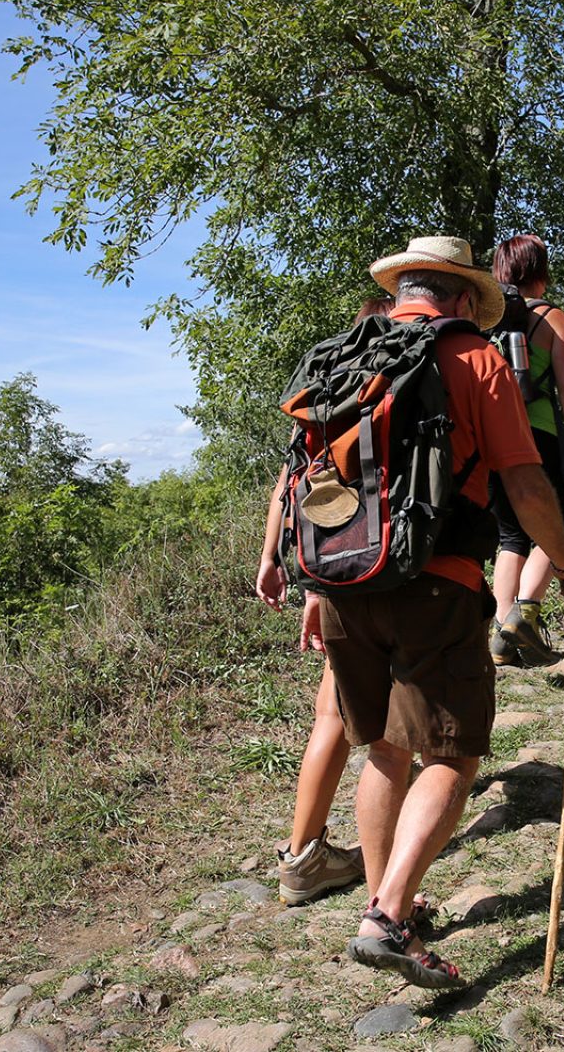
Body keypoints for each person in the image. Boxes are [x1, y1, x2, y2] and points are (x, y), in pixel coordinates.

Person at [303, 236, 564, 989]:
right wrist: (561, 562)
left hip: (340, 581)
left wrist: (309, 584)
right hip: (436, 581)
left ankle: (387, 895)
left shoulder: (341, 356)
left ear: (402, 291)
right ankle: (388, 919)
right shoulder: (473, 359)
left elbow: (302, 478)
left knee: (385, 751)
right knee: (453, 754)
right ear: (462, 298)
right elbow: (525, 481)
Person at [251, 298, 389, 907]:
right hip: (385, 566)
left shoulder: (324, 388)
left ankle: (304, 849)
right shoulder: (398, 385)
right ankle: (334, 869)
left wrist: (276, 561)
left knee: (333, 713)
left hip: (330, 565)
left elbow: (293, 482)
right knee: (370, 726)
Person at [485, 234, 564, 667]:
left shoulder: (483, 317)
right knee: (552, 528)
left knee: (510, 536)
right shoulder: (551, 318)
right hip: (539, 433)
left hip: (492, 435)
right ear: (540, 271)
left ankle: (499, 635)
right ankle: (524, 614)